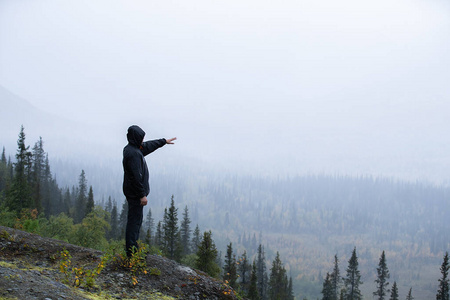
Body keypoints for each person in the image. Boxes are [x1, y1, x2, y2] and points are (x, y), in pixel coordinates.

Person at [122, 125, 176, 257]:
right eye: (141, 138)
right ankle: (132, 253)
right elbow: (136, 177)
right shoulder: (133, 154)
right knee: (134, 223)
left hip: (133, 193)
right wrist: (142, 195)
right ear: (135, 138)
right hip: (135, 195)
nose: (142, 141)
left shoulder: (133, 149)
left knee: (135, 221)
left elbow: (147, 146)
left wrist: (163, 141)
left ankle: (133, 249)